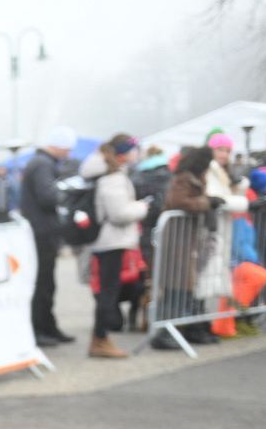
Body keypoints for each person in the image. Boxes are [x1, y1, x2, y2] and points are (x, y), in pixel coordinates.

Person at [78, 134, 150, 359]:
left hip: (105, 240)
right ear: (123, 153)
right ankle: (100, 339)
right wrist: (142, 207)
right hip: (111, 241)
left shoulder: (104, 174)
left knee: (107, 291)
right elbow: (119, 213)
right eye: (133, 149)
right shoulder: (113, 177)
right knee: (108, 292)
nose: (136, 153)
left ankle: (100, 338)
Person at [158, 145, 225, 348]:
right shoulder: (184, 179)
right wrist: (207, 202)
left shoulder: (191, 178)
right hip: (178, 239)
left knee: (184, 288)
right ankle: (165, 332)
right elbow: (178, 201)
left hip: (187, 238)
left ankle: (182, 329)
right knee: (176, 288)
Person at [21, 126, 77, 345]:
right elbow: (47, 197)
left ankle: (47, 326)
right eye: (67, 149)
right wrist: (66, 191)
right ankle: (40, 329)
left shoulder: (40, 162)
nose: (69, 154)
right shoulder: (43, 164)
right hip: (42, 231)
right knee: (43, 282)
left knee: (46, 282)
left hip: (42, 230)